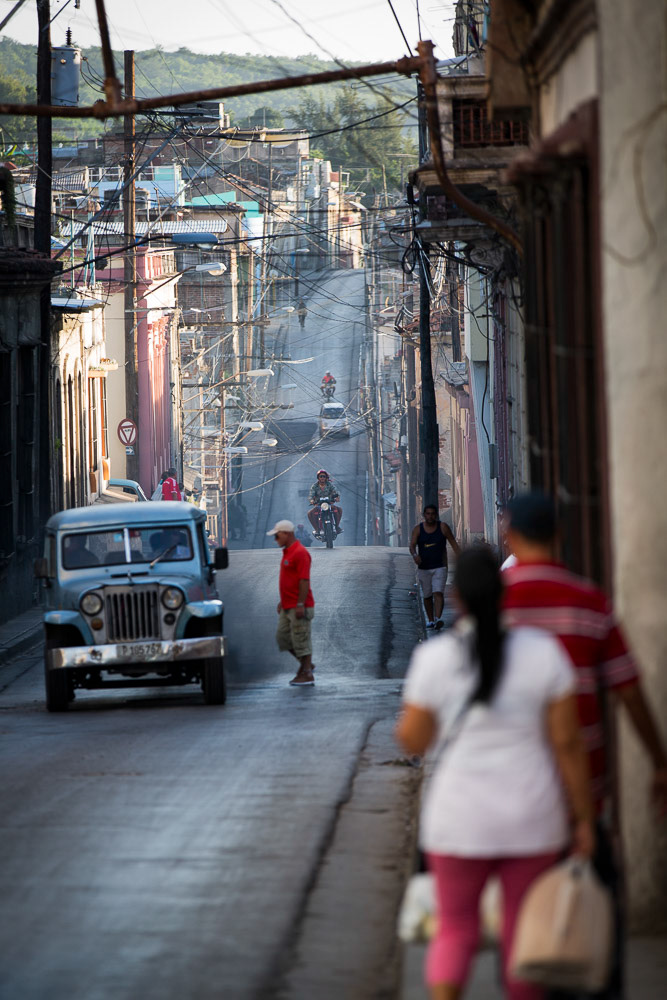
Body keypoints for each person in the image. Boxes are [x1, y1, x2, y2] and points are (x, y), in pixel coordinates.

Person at [397, 545, 595, 1000]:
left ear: (457, 597)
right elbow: (568, 742)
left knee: (455, 931)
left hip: (457, 822)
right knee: (522, 936)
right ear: (503, 592)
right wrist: (583, 817)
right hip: (533, 818)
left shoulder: (436, 659)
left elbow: (412, 739)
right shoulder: (542, 653)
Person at [502, 491, 667, 1000]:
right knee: (597, 930)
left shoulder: (492, 607)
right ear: (559, 535)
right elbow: (629, 690)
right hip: (583, 802)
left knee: (521, 940)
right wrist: (660, 762)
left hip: (513, 800)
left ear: (509, 535)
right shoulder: (589, 601)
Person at [267, 519, 316, 687]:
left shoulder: (300, 553)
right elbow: (290, 580)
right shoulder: (287, 552)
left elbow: (303, 580)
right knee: (283, 638)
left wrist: (301, 604)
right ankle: (307, 664)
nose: (276, 540)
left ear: (287, 534)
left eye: (277, 536)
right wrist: (283, 600)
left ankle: (306, 672)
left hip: (299, 605)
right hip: (288, 605)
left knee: (301, 639)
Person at [410, 505, 460, 630]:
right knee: (427, 596)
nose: (430, 516)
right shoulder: (418, 529)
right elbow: (412, 546)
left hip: (440, 566)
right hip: (423, 568)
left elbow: (453, 543)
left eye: (432, 514)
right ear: (424, 515)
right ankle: (431, 620)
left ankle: (438, 619)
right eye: (428, 514)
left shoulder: (443, 527)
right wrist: (415, 555)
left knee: (438, 592)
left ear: (436, 515)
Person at [307, 469, 342, 536]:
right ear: (318, 478)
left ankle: (337, 527)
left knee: (339, 510)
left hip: (328, 504)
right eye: (321, 476)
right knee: (310, 513)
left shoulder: (329, 485)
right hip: (319, 504)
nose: (322, 478)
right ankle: (317, 529)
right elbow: (311, 494)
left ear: (326, 478)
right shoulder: (314, 486)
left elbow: (335, 491)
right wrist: (312, 500)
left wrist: (337, 497)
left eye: (324, 476)